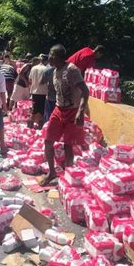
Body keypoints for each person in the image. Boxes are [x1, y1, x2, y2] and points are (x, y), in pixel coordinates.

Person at [41, 44, 89, 186]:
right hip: (58, 109)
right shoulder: (54, 71)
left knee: (68, 145)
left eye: (51, 54)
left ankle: (68, 175)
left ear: (58, 56)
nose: (48, 57)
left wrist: (80, 111)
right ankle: (52, 172)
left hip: (72, 111)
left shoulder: (72, 70)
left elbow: (85, 91)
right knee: (48, 141)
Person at [28, 54, 49, 129]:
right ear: (46, 61)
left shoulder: (34, 68)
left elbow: (30, 80)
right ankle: (40, 126)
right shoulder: (46, 69)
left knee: (34, 109)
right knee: (42, 110)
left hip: (34, 92)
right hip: (43, 92)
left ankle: (30, 125)